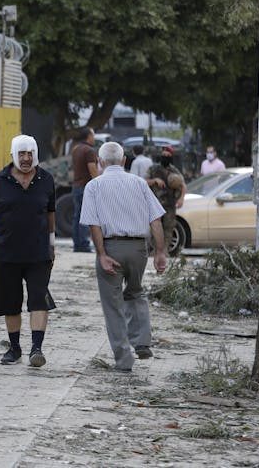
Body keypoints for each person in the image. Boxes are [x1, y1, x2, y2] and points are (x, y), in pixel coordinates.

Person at [0, 134, 56, 367]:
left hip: (38, 253)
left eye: (30, 154)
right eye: (22, 154)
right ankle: (14, 348)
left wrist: (52, 243)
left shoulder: (46, 180)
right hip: (7, 253)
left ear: (36, 154)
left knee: (39, 300)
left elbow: (50, 214)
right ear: (13, 155)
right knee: (10, 302)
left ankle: (37, 348)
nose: (26, 159)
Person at [80, 142, 167, 372]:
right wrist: (160, 252)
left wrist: (101, 255)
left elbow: (94, 224)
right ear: (123, 161)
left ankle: (124, 358)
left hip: (111, 247)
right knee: (136, 292)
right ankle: (142, 342)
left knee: (113, 304)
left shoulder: (94, 186)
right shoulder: (139, 184)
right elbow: (156, 219)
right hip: (139, 250)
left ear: (99, 162)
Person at [145, 145, 186, 247]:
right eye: (163, 155)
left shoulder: (174, 171)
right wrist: (154, 180)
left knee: (168, 227)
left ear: (171, 157)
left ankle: (165, 250)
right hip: (155, 203)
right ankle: (155, 250)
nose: (165, 157)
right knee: (155, 227)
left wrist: (181, 199)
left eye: (167, 155)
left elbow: (183, 185)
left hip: (169, 203)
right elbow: (144, 181)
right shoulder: (153, 169)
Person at [71, 127, 99, 252]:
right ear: (88, 136)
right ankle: (83, 244)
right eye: (93, 135)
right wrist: (99, 184)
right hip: (85, 187)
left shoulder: (76, 149)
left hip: (76, 186)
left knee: (77, 216)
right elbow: (92, 169)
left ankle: (77, 244)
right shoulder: (89, 150)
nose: (94, 138)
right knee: (85, 217)